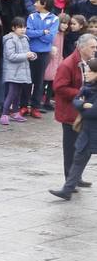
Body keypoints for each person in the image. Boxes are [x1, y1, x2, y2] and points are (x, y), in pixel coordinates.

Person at [50, 56, 97, 200]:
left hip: (93, 130)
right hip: (87, 131)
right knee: (78, 159)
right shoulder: (87, 87)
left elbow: (93, 113)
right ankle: (68, 189)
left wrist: (83, 107)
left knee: (79, 158)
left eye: (90, 71)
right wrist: (83, 105)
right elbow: (76, 101)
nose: (86, 74)